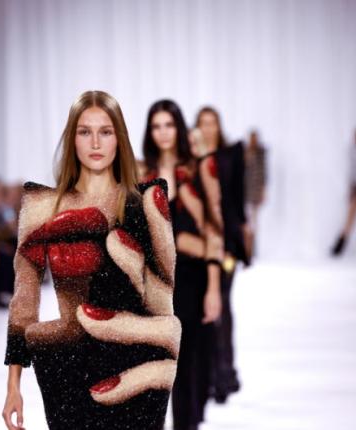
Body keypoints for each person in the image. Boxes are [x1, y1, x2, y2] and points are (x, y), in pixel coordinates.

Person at [2, 91, 180, 430]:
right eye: (85, 132)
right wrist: (13, 386)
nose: (95, 143)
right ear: (72, 139)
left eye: (106, 132)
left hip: (139, 363)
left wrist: (167, 349)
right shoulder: (42, 206)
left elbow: (162, 298)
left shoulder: (144, 202)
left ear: (119, 139)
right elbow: (24, 302)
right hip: (67, 368)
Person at [141, 100, 221, 430]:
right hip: (154, 284)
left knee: (188, 370)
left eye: (169, 125)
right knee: (155, 375)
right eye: (156, 126)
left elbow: (214, 230)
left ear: (179, 128)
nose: (163, 133)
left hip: (192, 279)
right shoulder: (141, 175)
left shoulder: (199, 170)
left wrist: (214, 288)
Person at [196, 106, 247, 402]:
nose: (207, 128)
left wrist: (241, 240)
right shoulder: (193, 159)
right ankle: (212, 373)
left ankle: (226, 372)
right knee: (206, 308)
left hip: (227, 244)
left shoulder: (230, 156)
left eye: (212, 122)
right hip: (201, 245)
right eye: (202, 123)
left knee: (223, 303)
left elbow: (238, 200)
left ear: (219, 125)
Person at [244, 130, 267, 258]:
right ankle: (247, 250)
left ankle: (251, 250)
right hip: (246, 192)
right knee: (247, 223)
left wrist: (263, 191)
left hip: (255, 193)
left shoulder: (260, 153)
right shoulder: (246, 152)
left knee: (253, 223)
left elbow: (263, 173)